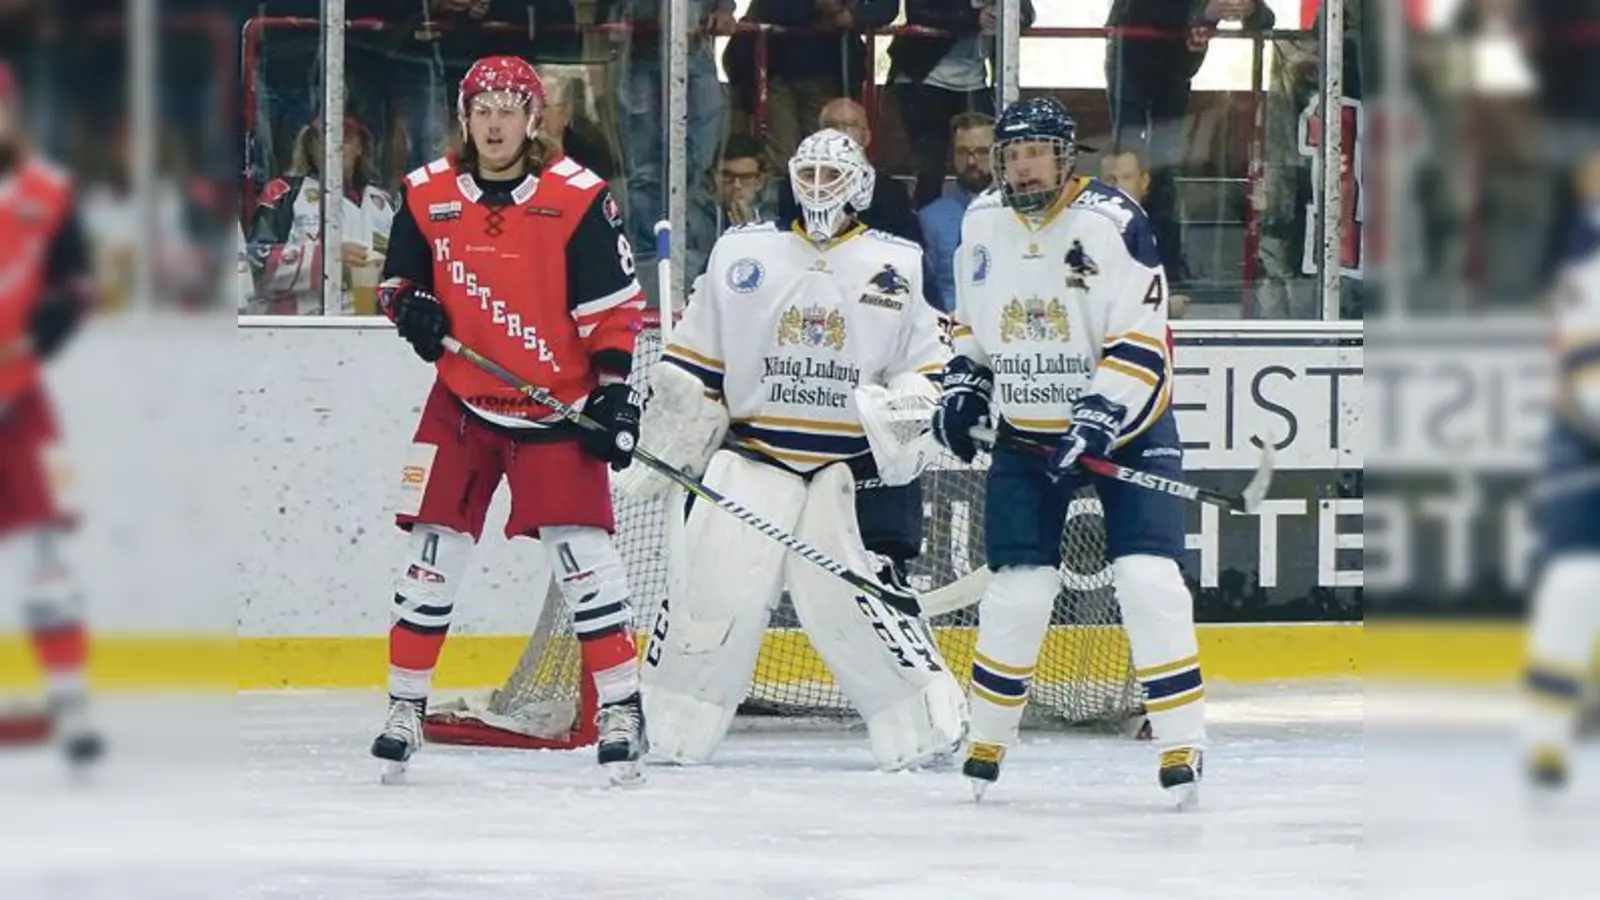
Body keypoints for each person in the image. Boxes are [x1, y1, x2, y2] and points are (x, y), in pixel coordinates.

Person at [622, 129, 968, 771]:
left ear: (860, 184)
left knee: (857, 610)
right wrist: (672, 420)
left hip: (846, 472)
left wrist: (904, 408)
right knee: (710, 597)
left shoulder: (897, 262)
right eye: (806, 174)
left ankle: (922, 725)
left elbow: (929, 363)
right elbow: (693, 360)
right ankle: (672, 725)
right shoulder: (741, 253)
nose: (817, 189)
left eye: (831, 177)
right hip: (752, 460)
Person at [369, 55, 649, 785]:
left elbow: (615, 309)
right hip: (463, 406)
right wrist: (415, 314)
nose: (495, 122)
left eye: (509, 108)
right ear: (466, 118)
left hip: (557, 408)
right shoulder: (428, 194)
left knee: (586, 563)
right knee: (431, 562)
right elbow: (397, 285)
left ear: (534, 120)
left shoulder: (578, 197)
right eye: (483, 108)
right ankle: (404, 707)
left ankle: (621, 710)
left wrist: (614, 391)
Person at [931, 97, 1205, 806]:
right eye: (1010, 154)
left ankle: (1181, 742)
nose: (1021, 166)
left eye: (1034, 153)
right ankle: (987, 738)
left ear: (1062, 155)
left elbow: (1144, 341)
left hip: (1130, 433)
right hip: (1027, 436)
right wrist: (963, 384)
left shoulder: (1115, 222)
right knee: (1018, 589)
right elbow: (972, 326)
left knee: (1148, 581)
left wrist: (1097, 419)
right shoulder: (981, 220)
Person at [0, 61, 102, 767]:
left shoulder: (48, 195)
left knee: (45, 557)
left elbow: (78, 288)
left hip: (22, 401)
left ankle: (68, 702)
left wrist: (40, 334)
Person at [1522, 149, 1600, 791]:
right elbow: (1581, 363)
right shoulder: (1584, 252)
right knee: (1575, 582)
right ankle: (1547, 736)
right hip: (1581, 441)